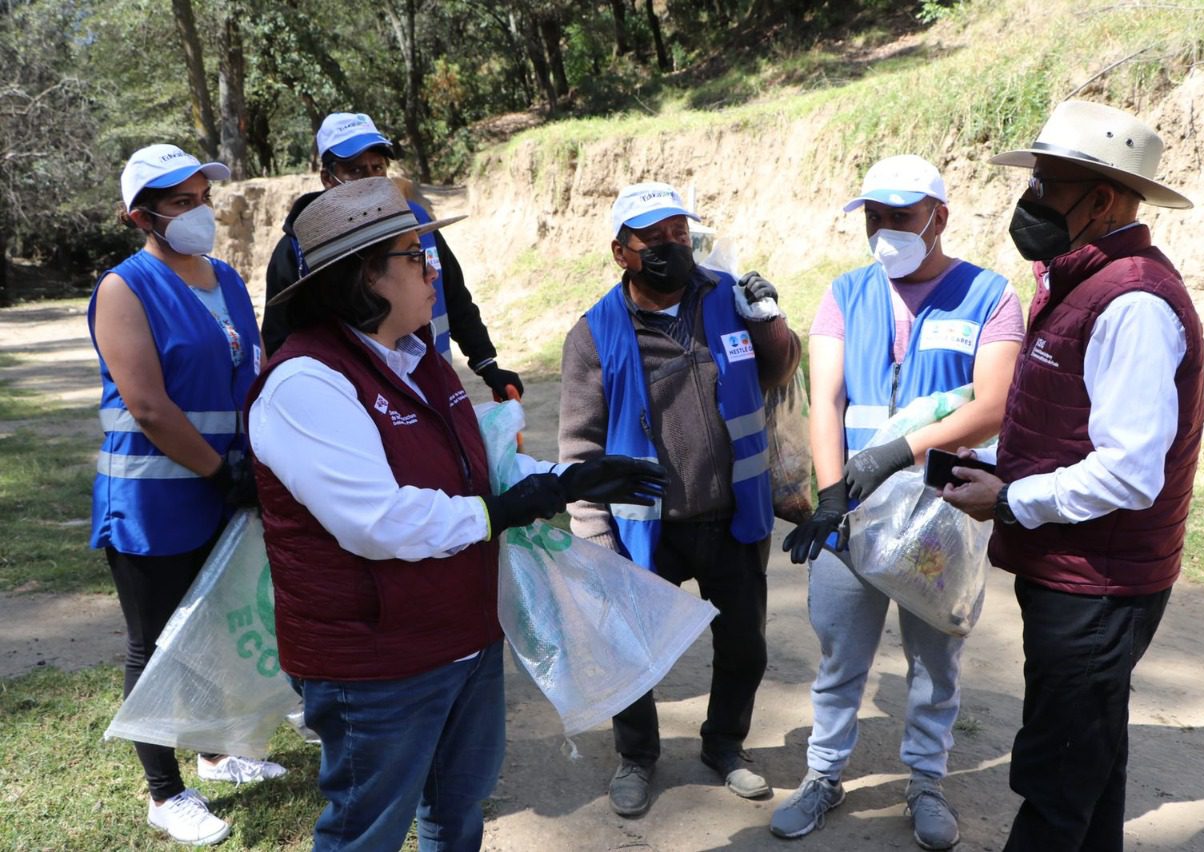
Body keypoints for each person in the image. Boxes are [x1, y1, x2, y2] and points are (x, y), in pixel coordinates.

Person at [247, 176, 665, 852]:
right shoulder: (306, 383)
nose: (433, 269)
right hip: (377, 662)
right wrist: (501, 512)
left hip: (463, 636)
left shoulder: (420, 362)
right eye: (416, 255)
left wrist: (567, 479)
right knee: (366, 828)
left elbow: (478, 473)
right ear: (368, 277)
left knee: (456, 809)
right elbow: (377, 523)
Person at [942, 100, 1204, 852]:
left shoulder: (1133, 303)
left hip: (1099, 580)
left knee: (1058, 779)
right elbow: (1068, 426)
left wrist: (1012, 499)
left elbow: (1129, 474)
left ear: (1103, 198)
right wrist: (994, 466)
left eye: (1046, 184)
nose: (1029, 200)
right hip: (1073, 565)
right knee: (1092, 761)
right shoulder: (1080, 279)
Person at [774, 155, 1024, 849]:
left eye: (901, 217)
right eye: (873, 218)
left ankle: (925, 781)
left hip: (939, 514)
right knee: (838, 656)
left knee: (934, 662)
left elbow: (995, 406)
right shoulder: (844, 295)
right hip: (851, 513)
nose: (884, 230)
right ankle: (823, 775)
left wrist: (896, 453)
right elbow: (824, 399)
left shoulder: (991, 296)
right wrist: (829, 496)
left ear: (939, 217)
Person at [559, 181, 802, 817]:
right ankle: (636, 756)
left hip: (731, 513)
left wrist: (770, 318)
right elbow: (578, 452)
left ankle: (725, 745)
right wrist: (597, 541)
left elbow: (780, 372)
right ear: (621, 252)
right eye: (655, 237)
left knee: (745, 645)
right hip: (646, 528)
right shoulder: (594, 334)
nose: (673, 245)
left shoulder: (725, 298)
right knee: (630, 654)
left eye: (679, 232)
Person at [89, 144, 286, 846]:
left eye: (201, 194)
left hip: (223, 487)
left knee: (208, 626)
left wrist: (251, 465)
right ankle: (164, 793)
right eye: (179, 200)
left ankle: (214, 753)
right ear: (139, 215)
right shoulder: (125, 288)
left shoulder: (228, 280)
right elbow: (147, 405)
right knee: (155, 641)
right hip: (154, 499)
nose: (197, 209)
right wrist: (220, 471)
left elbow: (248, 375)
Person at [260, 112, 522, 400]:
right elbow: (279, 339)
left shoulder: (418, 222)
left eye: (378, 168)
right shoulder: (299, 251)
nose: (371, 180)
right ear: (328, 178)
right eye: (356, 171)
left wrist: (487, 364)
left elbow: (455, 297)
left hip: (434, 387)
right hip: (360, 402)